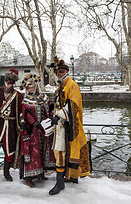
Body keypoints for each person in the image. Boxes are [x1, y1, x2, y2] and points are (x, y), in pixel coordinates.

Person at [49, 57, 91, 195]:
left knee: (60, 151)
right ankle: (68, 177)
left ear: (66, 71)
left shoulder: (71, 84)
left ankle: (60, 183)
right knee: (61, 151)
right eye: (57, 72)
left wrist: (59, 115)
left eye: (61, 71)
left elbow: (72, 105)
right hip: (60, 125)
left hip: (66, 125)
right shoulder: (62, 85)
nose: (59, 74)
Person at [19, 74, 55, 187]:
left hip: (43, 129)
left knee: (43, 151)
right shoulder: (25, 100)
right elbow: (25, 114)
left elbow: (48, 110)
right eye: (28, 87)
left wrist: (49, 118)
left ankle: (41, 172)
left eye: (32, 86)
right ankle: (28, 177)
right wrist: (35, 124)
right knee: (32, 153)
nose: (31, 89)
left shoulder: (43, 97)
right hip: (32, 130)